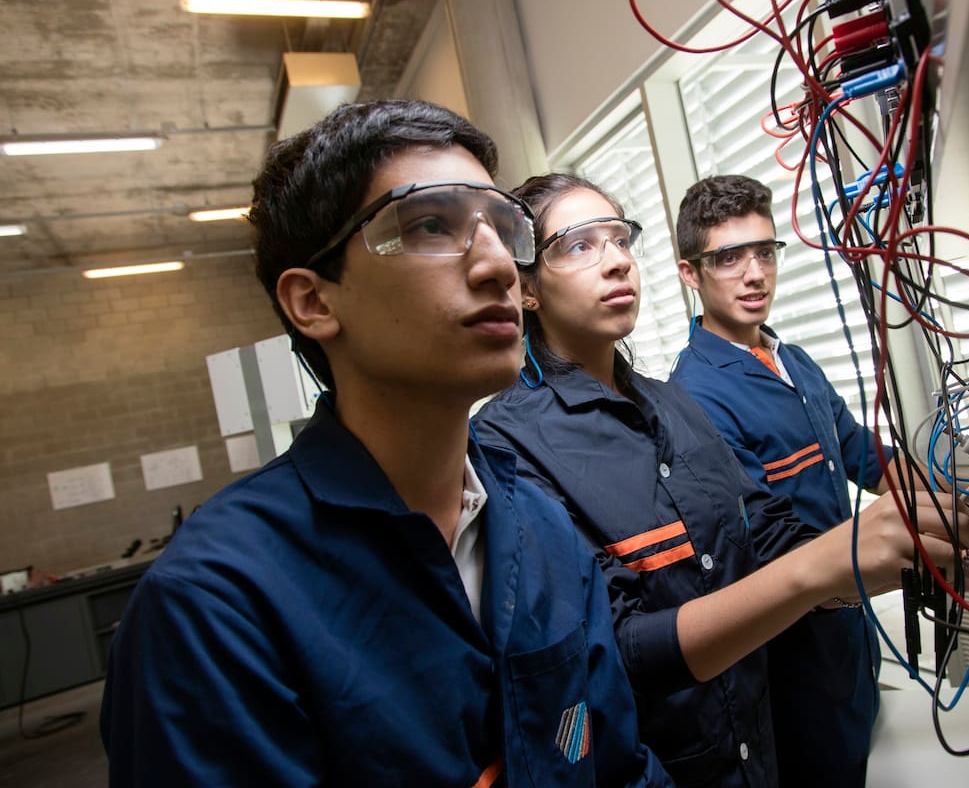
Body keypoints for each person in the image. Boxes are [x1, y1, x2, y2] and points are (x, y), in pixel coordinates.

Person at [99, 101, 672, 787]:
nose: (498, 267)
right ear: (314, 301)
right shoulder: (215, 606)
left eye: (502, 228)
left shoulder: (541, 533)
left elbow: (617, 765)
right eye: (431, 224)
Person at [471, 172, 969, 788]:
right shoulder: (505, 443)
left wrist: (948, 562)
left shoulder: (675, 407)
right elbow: (612, 652)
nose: (617, 262)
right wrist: (823, 566)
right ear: (529, 288)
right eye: (579, 245)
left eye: (621, 238)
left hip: (764, 751)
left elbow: (776, 539)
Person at [669, 174, 969, 786]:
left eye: (765, 251)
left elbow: (873, 462)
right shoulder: (694, 395)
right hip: (798, 659)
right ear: (691, 273)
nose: (755, 274)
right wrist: (964, 563)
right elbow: (767, 554)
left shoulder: (792, 359)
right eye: (728, 257)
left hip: (852, 642)